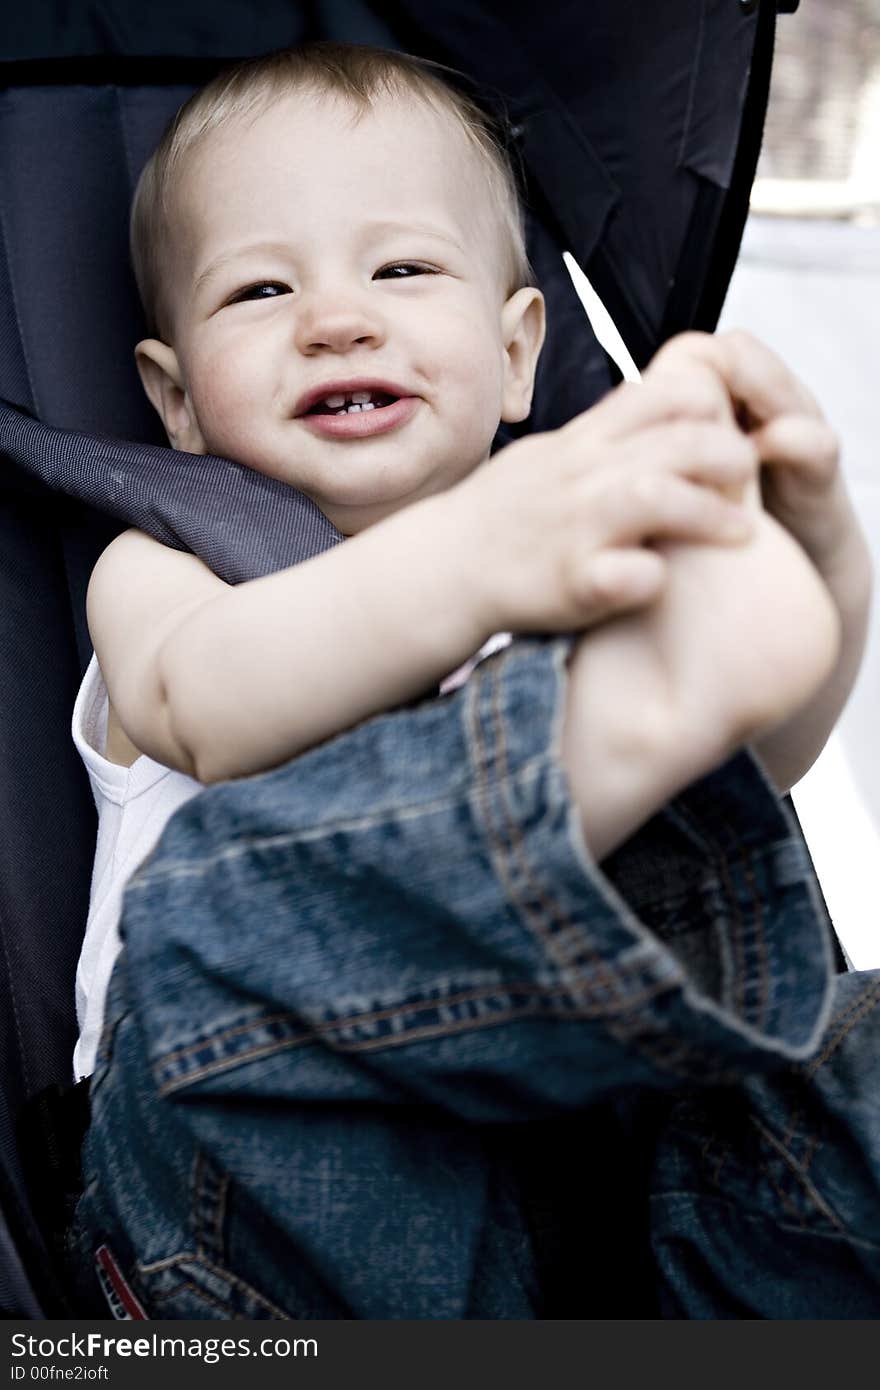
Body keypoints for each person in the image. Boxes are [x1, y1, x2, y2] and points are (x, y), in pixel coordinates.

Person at [66, 43, 877, 1318]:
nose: (336, 316)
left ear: (517, 355)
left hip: (613, 1172)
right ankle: (558, 757)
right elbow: (205, 704)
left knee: (836, 1054)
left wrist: (826, 561)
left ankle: (585, 763)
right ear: (172, 397)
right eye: (260, 290)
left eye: (401, 269)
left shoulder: (564, 545)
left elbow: (754, 771)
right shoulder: (166, 564)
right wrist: (485, 556)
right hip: (255, 1177)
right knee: (216, 923)